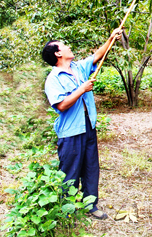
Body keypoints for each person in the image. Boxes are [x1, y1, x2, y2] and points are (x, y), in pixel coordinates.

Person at [42, 28, 122, 220]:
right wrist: (82, 89)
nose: (68, 47)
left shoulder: (78, 68)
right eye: (64, 45)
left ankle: (90, 204)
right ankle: (68, 210)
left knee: (91, 167)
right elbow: (61, 105)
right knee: (70, 170)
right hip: (70, 132)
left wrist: (112, 38)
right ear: (58, 53)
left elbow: (96, 56)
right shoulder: (53, 79)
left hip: (88, 126)